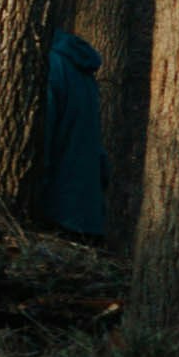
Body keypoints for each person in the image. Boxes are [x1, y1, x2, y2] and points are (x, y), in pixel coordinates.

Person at [38, 31, 108, 240]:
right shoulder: (82, 72)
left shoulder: (52, 66)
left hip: (59, 208)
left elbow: (44, 136)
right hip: (88, 209)